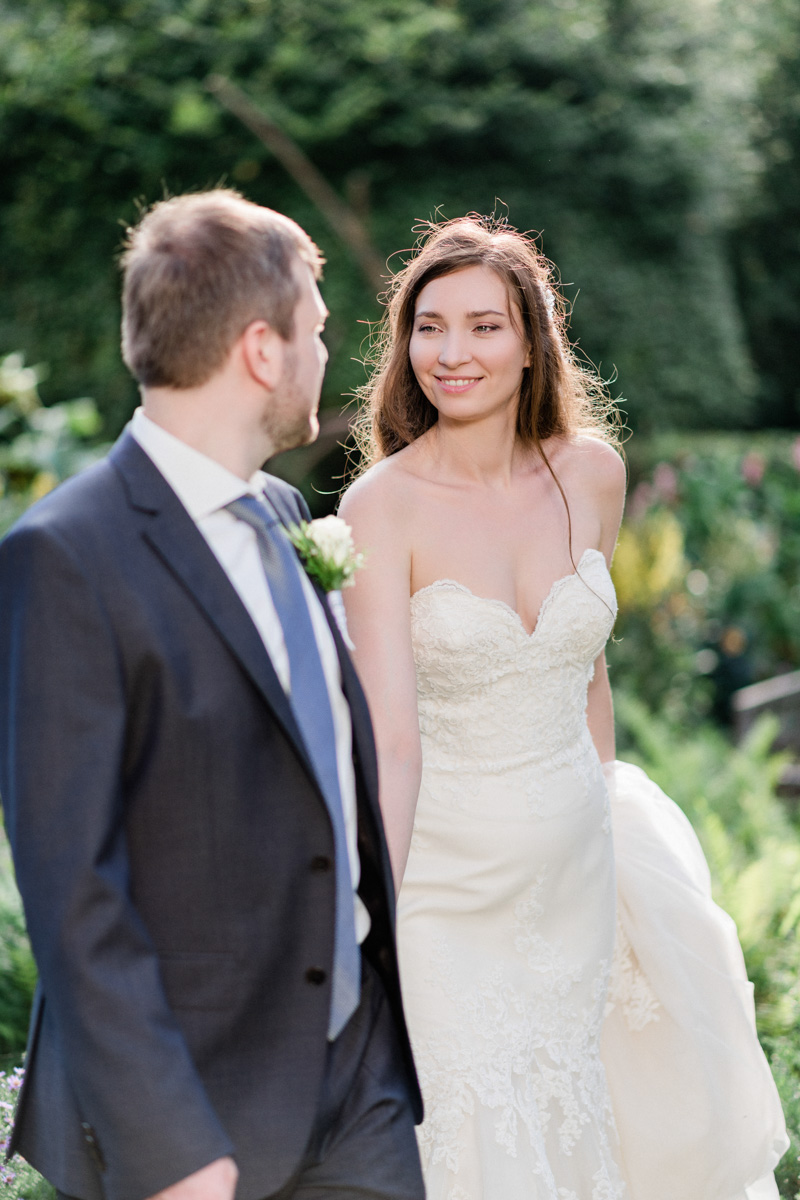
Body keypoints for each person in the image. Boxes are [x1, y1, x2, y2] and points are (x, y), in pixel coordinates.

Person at [339, 215, 788, 1200]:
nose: (450, 353)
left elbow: (586, 668)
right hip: (445, 890)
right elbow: (389, 734)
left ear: (532, 338)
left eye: (482, 326)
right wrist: (373, 909)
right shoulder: (381, 506)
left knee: (586, 1121)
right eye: (428, 325)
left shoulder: (590, 474)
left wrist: (609, 811)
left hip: (577, 870)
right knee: (471, 1131)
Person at [0, 189, 425, 1200]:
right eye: (316, 330)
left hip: (354, 1077)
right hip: (198, 1109)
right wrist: (172, 1150)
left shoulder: (284, 512)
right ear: (261, 351)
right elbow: (74, 892)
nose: (329, 354)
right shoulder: (65, 558)